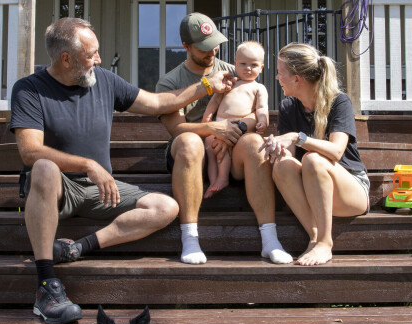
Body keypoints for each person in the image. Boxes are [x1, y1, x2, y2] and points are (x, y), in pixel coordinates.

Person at [11, 17, 234, 324]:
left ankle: (77, 248)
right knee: (44, 167)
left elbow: (158, 102)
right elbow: (29, 151)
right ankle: (46, 285)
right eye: (91, 54)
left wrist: (206, 85)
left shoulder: (103, 80)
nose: (99, 60)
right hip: (58, 188)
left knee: (166, 207)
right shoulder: (30, 89)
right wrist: (89, 165)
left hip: (101, 190)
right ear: (66, 59)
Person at [157, 13, 292, 265]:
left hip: (234, 144)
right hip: (193, 151)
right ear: (186, 47)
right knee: (189, 142)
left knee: (254, 143)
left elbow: (255, 112)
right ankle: (190, 237)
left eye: (215, 44)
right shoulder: (170, 82)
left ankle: (270, 239)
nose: (212, 52)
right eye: (204, 47)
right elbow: (176, 129)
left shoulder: (237, 69)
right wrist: (214, 129)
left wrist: (238, 128)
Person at [260, 43, 370, 266]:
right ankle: (315, 238)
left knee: (313, 159)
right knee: (282, 165)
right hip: (312, 189)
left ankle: (325, 242)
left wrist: (297, 137)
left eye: (281, 73)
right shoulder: (289, 105)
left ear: (297, 79)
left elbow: (337, 151)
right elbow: (288, 158)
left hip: (350, 189)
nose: (277, 78)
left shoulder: (339, 101)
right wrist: (276, 146)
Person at [200, 41, 269, 199]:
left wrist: (263, 120)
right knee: (211, 146)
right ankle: (213, 180)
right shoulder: (229, 83)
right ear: (235, 64)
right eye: (243, 64)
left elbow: (261, 108)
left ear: (261, 68)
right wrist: (207, 117)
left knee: (224, 149)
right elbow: (215, 102)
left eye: (253, 65)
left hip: (239, 129)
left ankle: (222, 178)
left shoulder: (258, 88)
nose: (248, 68)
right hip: (219, 125)